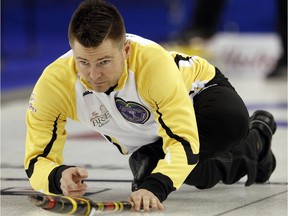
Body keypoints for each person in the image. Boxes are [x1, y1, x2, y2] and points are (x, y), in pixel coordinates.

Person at [24, 0, 277, 212]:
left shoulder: (152, 65)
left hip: (198, 94)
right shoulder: (54, 85)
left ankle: (251, 136)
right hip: (148, 134)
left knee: (227, 122)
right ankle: (257, 144)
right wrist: (57, 177)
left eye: (103, 62)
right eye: (83, 62)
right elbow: (35, 160)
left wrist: (155, 186)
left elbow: (184, 142)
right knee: (187, 173)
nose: (93, 75)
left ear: (125, 50)